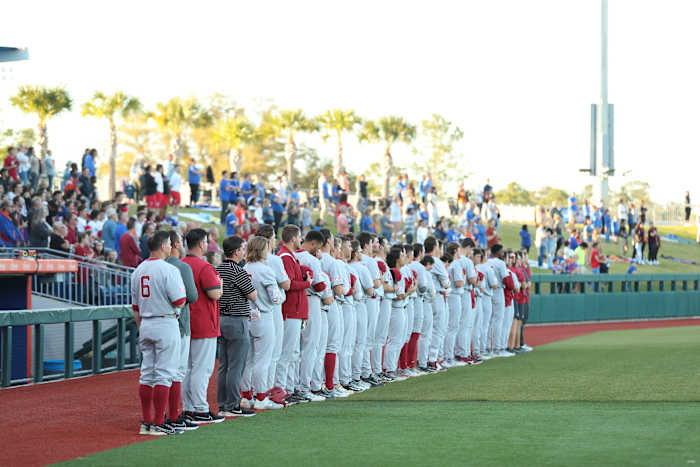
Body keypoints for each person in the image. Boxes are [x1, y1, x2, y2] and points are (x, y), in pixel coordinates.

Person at [131, 230, 187, 436]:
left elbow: (135, 307)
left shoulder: (138, 270)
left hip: (146, 322)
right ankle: (158, 422)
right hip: (165, 322)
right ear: (164, 246)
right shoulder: (168, 269)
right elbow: (180, 300)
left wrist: (142, 326)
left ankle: (146, 422)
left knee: (146, 374)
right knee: (164, 375)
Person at [181, 228, 225, 424]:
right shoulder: (204, 266)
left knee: (187, 368)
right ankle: (199, 408)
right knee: (201, 368)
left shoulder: (180, 264)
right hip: (203, 322)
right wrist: (220, 284)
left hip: (184, 322)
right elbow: (215, 293)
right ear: (201, 244)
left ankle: (189, 407)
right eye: (206, 241)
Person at [215, 235, 259, 416]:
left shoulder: (218, 269)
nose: (243, 252)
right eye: (242, 249)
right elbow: (253, 295)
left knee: (224, 365)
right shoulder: (237, 270)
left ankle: (223, 403)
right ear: (235, 252)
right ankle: (232, 404)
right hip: (236, 319)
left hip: (221, 318)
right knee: (236, 365)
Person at [163, 230, 200, 431]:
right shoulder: (181, 266)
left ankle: (157, 417)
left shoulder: (147, 266)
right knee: (176, 372)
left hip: (152, 323)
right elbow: (192, 296)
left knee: (155, 373)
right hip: (178, 322)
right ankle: (174, 414)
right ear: (174, 244)